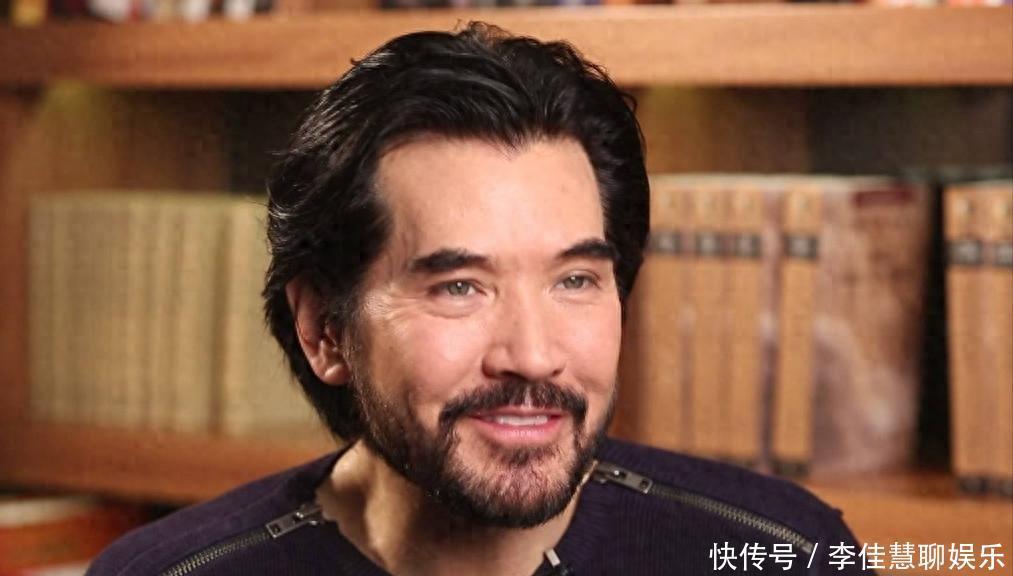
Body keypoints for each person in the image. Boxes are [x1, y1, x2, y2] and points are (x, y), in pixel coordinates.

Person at [89, 22, 869, 576]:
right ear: (324, 330)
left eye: (574, 281)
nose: (532, 354)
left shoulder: (786, 554)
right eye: (459, 287)